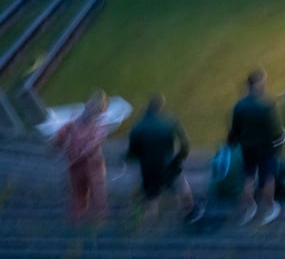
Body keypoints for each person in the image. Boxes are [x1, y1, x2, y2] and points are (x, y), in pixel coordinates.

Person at [126, 93, 203, 222]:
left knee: (152, 198)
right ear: (160, 108)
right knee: (182, 188)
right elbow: (185, 143)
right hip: (169, 165)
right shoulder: (170, 121)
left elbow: (133, 152)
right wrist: (180, 157)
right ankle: (189, 212)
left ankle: (149, 227)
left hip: (148, 168)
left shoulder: (138, 126)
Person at [228, 68, 285, 225]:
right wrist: (279, 145)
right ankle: (269, 207)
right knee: (268, 177)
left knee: (248, 176)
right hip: (266, 148)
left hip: (248, 147)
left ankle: (250, 206)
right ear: (259, 84)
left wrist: (232, 142)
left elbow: (235, 129)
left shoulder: (239, 105)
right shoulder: (267, 104)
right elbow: (276, 132)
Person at [52, 90, 110, 222]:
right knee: (83, 190)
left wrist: (71, 154)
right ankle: (84, 217)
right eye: (92, 105)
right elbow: (62, 133)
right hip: (84, 163)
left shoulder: (98, 123)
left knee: (94, 192)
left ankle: (93, 218)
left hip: (86, 163)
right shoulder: (79, 120)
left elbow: (95, 142)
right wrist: (57, 142)